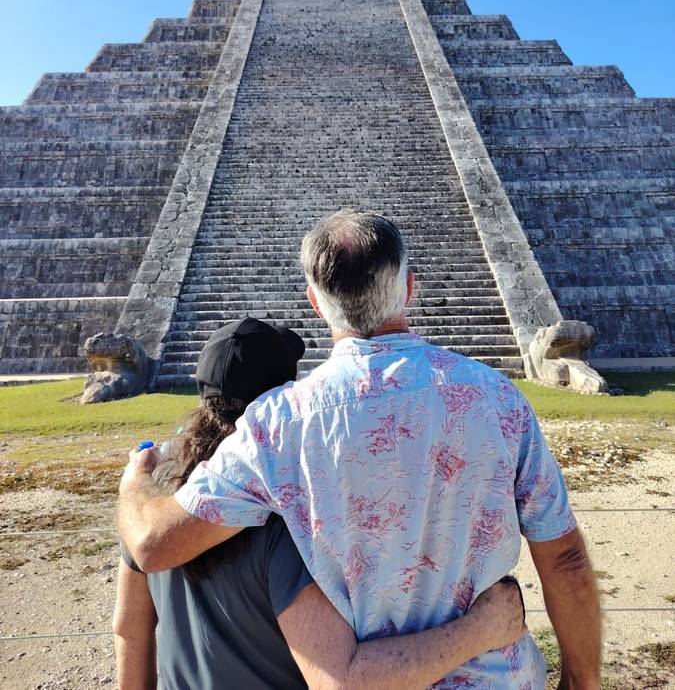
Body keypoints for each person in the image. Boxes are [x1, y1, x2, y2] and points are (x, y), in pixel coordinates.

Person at [119, 211, 601, 689]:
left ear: (315, 302)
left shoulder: (279, 421)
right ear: (409, 287)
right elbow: (565, 560)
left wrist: (136, 483)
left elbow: (154, 546)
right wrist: (581, 680)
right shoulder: (498, 399)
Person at [114, 316, 526, 690]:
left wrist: (135, 483)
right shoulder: (284, 517)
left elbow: (130, 632)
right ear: (283, 397)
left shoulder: (151, 508)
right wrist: (483, 628)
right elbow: (339, 679)